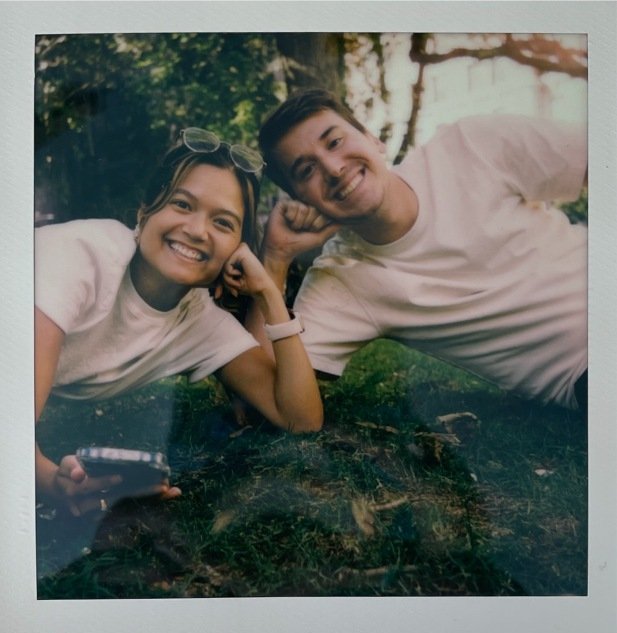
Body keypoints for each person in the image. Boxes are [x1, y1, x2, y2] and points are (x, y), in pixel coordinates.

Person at [35, 128, 323, 516]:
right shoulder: (81, 256)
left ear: (238, 249)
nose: (197, 230)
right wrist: (49, 481)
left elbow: (301, 419)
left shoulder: (197, 320)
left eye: (223, 223)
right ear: (145, 210)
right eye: (183, 205)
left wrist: (270, 293)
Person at [252, 88, 588, 412]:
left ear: (373, 139)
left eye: (335, 142)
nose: (334, 168)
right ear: (301, 200)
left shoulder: (470, 144)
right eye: (306, 170)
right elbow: (263, 392)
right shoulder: (344, 280)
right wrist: (274, 258)